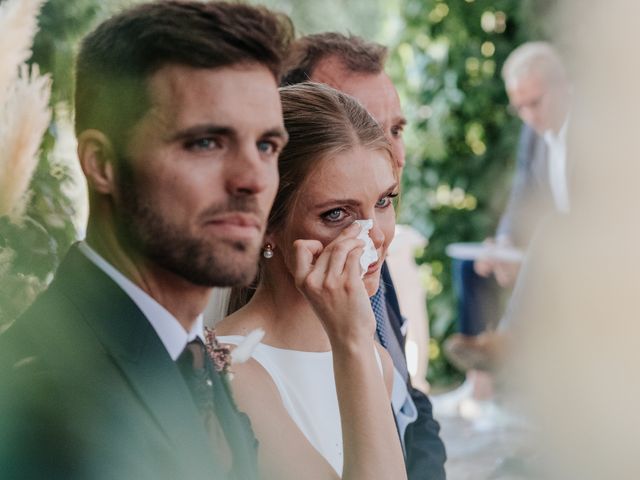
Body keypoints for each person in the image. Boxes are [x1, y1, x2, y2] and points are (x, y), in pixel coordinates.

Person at [0, 2, 292, 479]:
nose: (253, 178)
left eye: (266, 146)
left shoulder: (187, 352)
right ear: (102, 164)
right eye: (206, 142)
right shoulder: (47, 399)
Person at [216, 82, 407, 480]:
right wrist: (352, 340)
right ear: (267, 226)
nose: (373, 236)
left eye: (383, 201)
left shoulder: (376, 361)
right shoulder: (228, 372)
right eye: (337, 214)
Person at [281, 33, 447, 479]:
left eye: (396, 130)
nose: (391, 157)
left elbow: (410, 406)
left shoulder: (371, 249)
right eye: (363, 127)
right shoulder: (238, 372)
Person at [446, 41, 572, 371]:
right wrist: (505, 242)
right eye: (521, 108)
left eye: (535, 103)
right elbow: (522, 193)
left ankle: (510, 337)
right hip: (547, 246)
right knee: (475, 266)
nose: (530, 116)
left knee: (555, 224)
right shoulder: (534, 134)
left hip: (584, 246)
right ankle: (480, 388)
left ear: (562, 87)